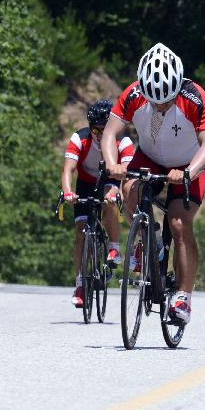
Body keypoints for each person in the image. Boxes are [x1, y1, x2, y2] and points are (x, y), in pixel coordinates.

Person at [101, 43, 205, 325]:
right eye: (155, 101)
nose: (160, 105)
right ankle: (148, 237)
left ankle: (182, 298)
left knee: (178, 223)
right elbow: (109, 133)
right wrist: (112, 163)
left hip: (188, 164)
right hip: (149, 157)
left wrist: (189, 172)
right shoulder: (133, 94)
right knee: (129, 191)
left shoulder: (195, 96)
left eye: (166, 100)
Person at [62, 100, 135, 308]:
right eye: (96, 130)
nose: (100, 135)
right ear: (89, 127)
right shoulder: (80, 138)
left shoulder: (123, 142)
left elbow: (127, 171)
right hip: (85, 182)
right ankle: (79, 284)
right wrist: (68, 192)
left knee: (110, 198)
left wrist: (118, 190)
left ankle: (113, 248)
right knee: (80, 232)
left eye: (105, 129)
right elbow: (68, 170)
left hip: (111, 179)